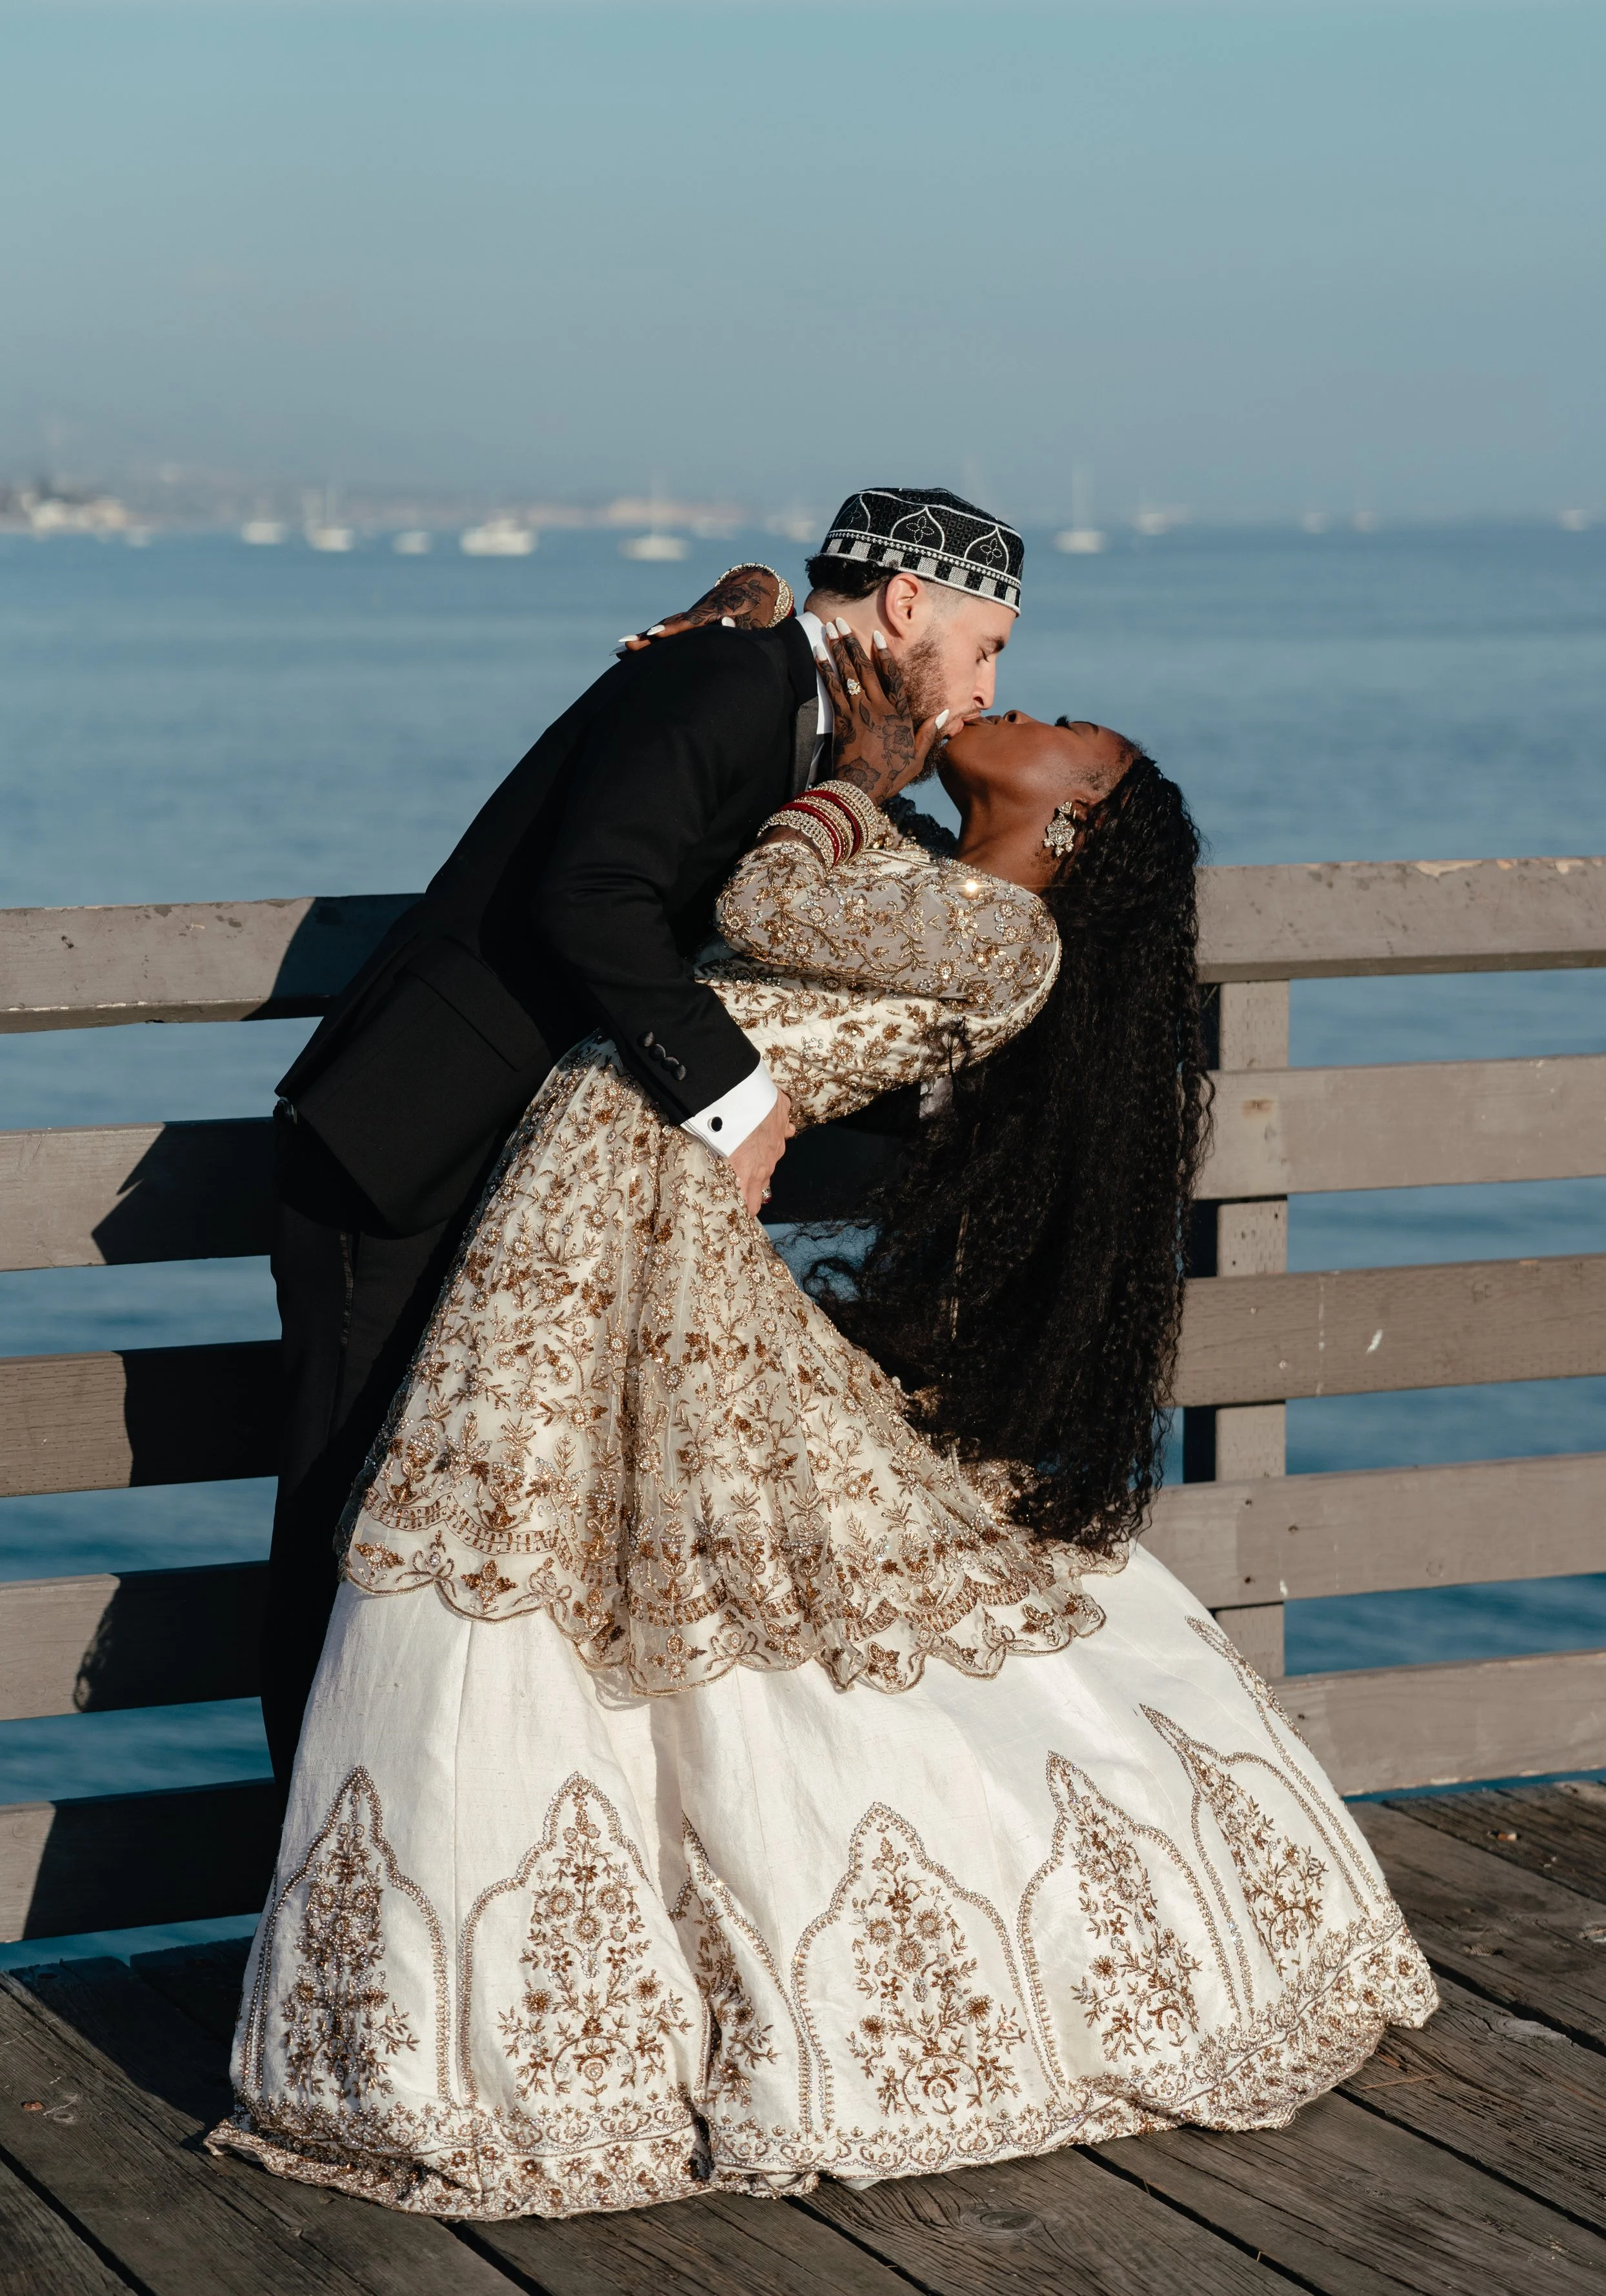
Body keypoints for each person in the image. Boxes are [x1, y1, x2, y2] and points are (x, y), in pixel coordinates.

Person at [210, 615, 1434, 2217]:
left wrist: (854, 773)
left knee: (637, 1565)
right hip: (595, 1180)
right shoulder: (939, 874)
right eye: (1003, 663)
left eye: (1069, 724)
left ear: (1076, 819)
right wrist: (747, 659)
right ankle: (487, 2013)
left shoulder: (1013, 944)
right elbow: (784, 831)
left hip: (648, 1193)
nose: (1026, 701)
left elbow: (766, 892)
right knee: (537, 1553)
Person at [261, 488, 1023, 1789]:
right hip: (405, 1146)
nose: (989, 678)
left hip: (522, 1185)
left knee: (444, 1548)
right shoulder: (726, 680)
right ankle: (305, 1896)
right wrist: (739, 1101)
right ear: (906, 605)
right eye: (987, 644)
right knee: (347, 1533)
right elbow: (592, 898)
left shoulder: (830, 722)